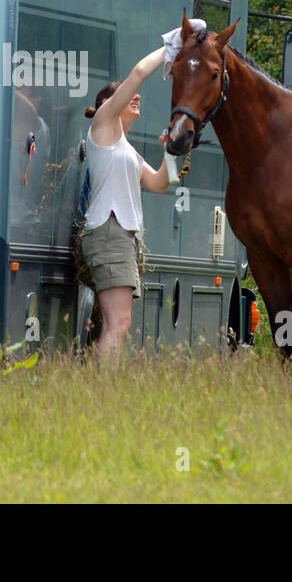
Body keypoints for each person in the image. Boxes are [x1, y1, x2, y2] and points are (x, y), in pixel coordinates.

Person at [80, 46, 173, 359]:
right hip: (110, 231)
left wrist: (173, 150)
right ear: (109, 105)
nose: (137, 97)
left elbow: (160, 184)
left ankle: (99, 394)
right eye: (127, 95)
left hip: (120, 235)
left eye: (136, 95)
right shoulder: (103, 127)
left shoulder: (127, 151)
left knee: (115, 324)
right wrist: (170, 44)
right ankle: (102, 398)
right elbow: (139, 73)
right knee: (118, 324)